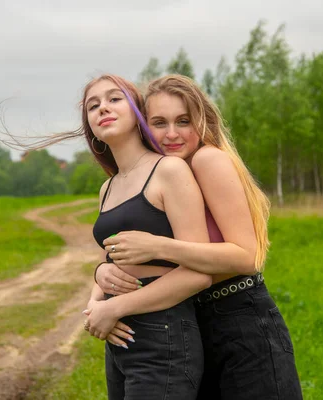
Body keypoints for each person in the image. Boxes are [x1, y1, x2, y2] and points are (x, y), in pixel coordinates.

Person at [94, 75, 303, 399]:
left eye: (183, 121)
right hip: (193, 316)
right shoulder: (164, 173)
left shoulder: (207, 159)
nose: (172, 133)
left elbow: (247, 257)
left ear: (201, 121)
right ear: (143, 126)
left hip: (238, 316)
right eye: (159, 123)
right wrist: (101, 272)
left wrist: (159, 246)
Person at [75, 74, 213, 400]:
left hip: (163, 333)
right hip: (120, 337)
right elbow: (111, 258)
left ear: (137, 111)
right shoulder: (107, 188)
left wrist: (116, 307)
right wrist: (96, 299)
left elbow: (199, 272)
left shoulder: (168, 171)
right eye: (93, 106)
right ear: (90, 128)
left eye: (114, 99)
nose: (102, 108)